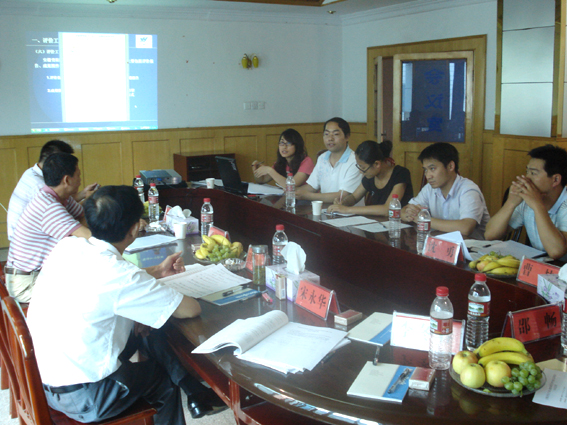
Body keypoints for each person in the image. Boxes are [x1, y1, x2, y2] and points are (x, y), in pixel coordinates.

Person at [27, 185, 226, 425]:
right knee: (160, 379)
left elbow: (110, 286)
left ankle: (194, 390)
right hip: (87, 396)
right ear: (133, 229)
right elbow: (190, 309)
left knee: (149, 324)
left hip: (51, 375)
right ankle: (191, 389)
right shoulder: (118, 274)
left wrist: (157, 271)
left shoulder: (68, 246)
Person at [5, 153, 91, 302]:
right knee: (90, 291)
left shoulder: (59, 197)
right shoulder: (48, 206)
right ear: (67, 179)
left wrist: (80, 225)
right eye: (78, 175)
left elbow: (84, 215)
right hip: (27, 284)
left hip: (37, 274)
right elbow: (89, 236)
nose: (80, 180)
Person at [484, 145, 567, 259]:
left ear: (555, 180)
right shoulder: (527, 199)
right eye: (527, 171)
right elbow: (490, 235)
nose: (526, 178)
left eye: (533, 173)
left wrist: (537, 206)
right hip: (540, 265)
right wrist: (511, 203)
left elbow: (556, 252)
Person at [7, 139, 98, 240]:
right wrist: (92, 203)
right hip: (30, 239)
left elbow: (78, 212)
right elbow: (80, 232)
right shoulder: (40, 189)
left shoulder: (46, 183)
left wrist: (85, 195)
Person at [401, 142, 490, 239]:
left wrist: (423, 219)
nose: (428, 176)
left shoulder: (468, 190)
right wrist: (409, 213)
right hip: (441, 243)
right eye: (425, 170)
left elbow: (466, 228)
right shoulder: (429, 188)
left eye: (432, 168)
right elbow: (403, 211)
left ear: (451, 166)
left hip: (473, 246)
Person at [327, 140, 413, 215]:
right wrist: (343, 203)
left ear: (377, 164)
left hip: (399, 224)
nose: (361, 172)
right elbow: (354, 197)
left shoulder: (400, 174)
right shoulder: (371, 176)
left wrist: (347, 210)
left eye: (363, 168)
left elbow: (388, 209)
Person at [295, 117, 361, 202]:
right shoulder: (322, 158)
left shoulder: (355, 161)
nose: (330, 138)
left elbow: (343, 196)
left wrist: (308, 196)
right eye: (326, 134)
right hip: (325, 208)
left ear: (347, 137)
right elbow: (311, 186)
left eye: (335, 134)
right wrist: (294, 191)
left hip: (348, 209)